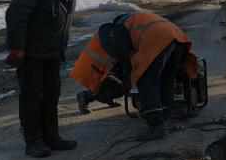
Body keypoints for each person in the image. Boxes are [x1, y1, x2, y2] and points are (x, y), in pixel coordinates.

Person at [70, 12, 198, 140]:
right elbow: (126, 55)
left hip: (156, 40)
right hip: (178, 37)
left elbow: (125, 57)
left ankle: (156, 125)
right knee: (166, 78)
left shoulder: (119, 30)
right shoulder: (135, 21)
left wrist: (128, 77)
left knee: (146, 81)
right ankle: (164, 115)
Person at [5, 0, 85, 157]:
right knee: (32, 96)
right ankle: (33, 141)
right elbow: (16, 15)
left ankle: (52, 137)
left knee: (51, 95)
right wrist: (17, 47)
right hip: (31, 51)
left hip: (53, 51)